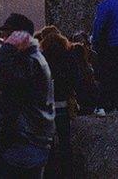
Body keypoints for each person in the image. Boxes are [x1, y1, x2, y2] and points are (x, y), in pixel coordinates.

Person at [0, 14, 55, 178]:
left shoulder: (28, 60)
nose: (4, 39)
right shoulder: (33, 58)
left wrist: (6, 51)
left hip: (22, 139)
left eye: (8, 35)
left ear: (21, 36)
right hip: (28, 138)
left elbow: (12, 85)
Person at [40, 31, 80, 179]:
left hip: (46, 105)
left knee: (47, 143)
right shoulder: (68, 56)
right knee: (65, 141)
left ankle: (49, 173)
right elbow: (76, 78)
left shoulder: (42, 58)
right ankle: (67, 173)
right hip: (63, 103)